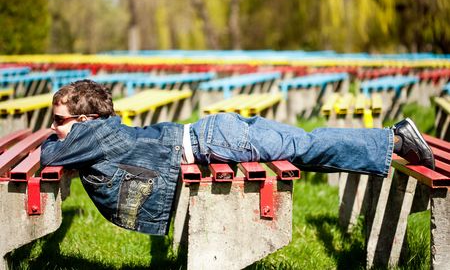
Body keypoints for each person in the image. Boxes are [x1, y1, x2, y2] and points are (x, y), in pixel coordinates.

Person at [41, 79, 435, 236]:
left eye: (58, 120)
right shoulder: (96, 133)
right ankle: (391, 143)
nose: (53, 127)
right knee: (306, 150)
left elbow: (50, 156)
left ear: (84, 120)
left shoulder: (90, 133)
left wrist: (53, 142)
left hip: (218, 140)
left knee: (307, 147)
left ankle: (394, 140)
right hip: (216, 136)